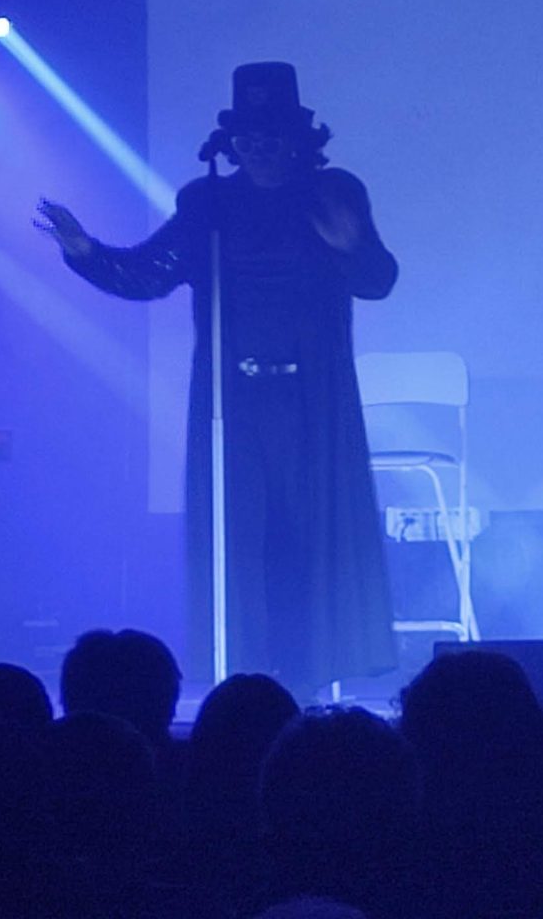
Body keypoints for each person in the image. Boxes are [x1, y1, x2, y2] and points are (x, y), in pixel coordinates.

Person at [38, 63, 398, 692]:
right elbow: (148, 274)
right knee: (243, 540)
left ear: (297, 141)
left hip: (311, 401)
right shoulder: (208, 203)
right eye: (246, 139)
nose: (258, 150)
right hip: (233, 402)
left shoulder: (333, 193)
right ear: (231, 144)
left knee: (307, 538)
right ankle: (248, 678)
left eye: (271, 137)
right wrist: (85, 251)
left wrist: (351, 247)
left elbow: (379, 281)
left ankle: (308, 675)